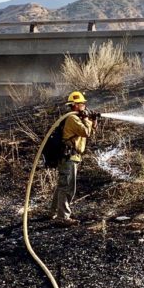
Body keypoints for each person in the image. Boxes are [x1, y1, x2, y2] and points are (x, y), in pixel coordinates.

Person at [52, 91, 95, 226]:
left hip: (70, 157)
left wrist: (91, 120)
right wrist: (87, 119)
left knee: (62, 185)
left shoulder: (76, 118)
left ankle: (54, 211)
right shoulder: (72, 118)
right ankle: (62, 217)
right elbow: (85, 132)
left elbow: (89, 131)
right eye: (82, 103)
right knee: (67, 187)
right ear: (76, 105)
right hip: (68, 157)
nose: (84, 106)